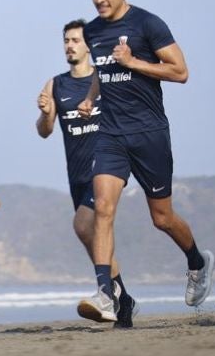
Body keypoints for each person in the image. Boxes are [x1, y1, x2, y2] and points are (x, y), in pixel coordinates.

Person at [76, 0, 215, 323]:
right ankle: (106, 294)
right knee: (102, 210)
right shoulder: (92, 31)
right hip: (110, 135)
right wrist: (91, 96)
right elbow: (103, 71)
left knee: (162, 217)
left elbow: (180, 72)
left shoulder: (148, 24)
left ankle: (197, 262)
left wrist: (134, 61)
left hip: (149, 133)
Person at [36, 20, 138, 328]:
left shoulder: (103, 79)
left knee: (83, 224)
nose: (70, 45)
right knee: (94, 235)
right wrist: (44, 112)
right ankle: (124, 297)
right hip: (77, 176)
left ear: (89, 45)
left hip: (107, 167)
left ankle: (105, 293)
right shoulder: (55, 84)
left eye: (75, 40)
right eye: (66, 40)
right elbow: (44, 131)